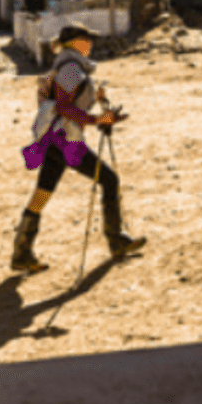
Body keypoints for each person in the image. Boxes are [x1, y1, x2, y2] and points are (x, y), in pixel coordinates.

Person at [12, 24, 146, 274]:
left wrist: (95, 101)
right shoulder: (72, 68)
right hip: (66, 142)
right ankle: (116, 241)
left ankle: (22, 252)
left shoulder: (65, 66)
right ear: (73, 42)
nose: (90, 43)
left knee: (43, 193)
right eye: (87, 38)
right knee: (109, 179)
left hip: (53, 140)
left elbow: (66, 102)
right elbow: (64, 107)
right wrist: (99, 121)